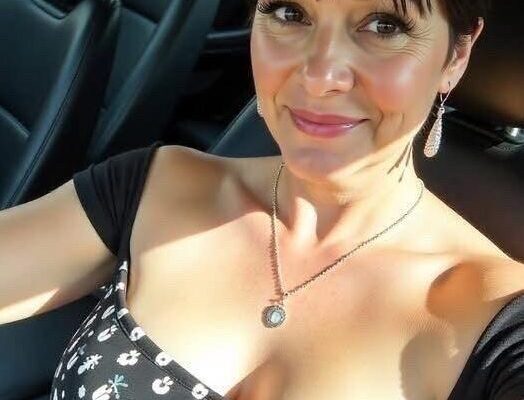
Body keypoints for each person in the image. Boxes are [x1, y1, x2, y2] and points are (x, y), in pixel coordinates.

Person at [1, 0, 523, 399]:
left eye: (385, 25)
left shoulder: (496, 322)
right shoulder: (156, 185)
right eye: (290, 13)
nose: (319, 76)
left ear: (456, 55)